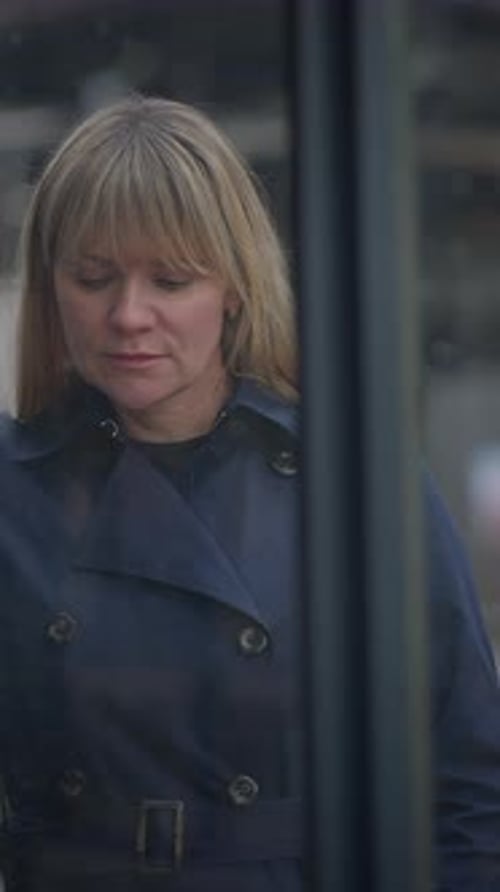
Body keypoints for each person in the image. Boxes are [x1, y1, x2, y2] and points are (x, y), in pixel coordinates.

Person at [0, 95, 498, 892]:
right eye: (93, 277)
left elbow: (470, 779)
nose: (129, 315)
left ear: (233, 288)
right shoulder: (12, 488)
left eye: (170, 279)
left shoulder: (353, 478)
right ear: (52, 287)